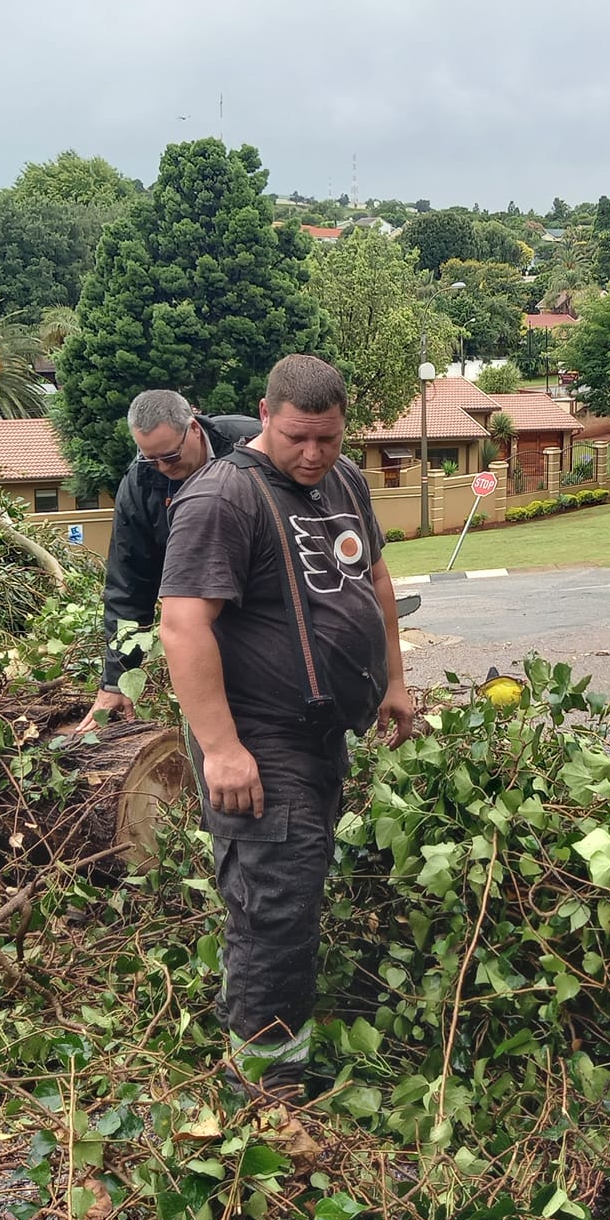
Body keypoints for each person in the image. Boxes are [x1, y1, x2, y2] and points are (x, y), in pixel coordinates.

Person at [157, 354, 415, 1099]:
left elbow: (375, 579)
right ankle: (266, 1092)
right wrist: (222, 749)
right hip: (259, 740)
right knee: (274, 906)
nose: (313, 455)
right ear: (264, 415)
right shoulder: (222, 499)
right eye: (299, 437)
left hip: (324, 734)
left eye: (329, 439)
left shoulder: (345, 480)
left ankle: (262, 1039)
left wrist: (394, 682)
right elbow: (181, 627)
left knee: (289, 893)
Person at [68, 390, 259, 733]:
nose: (163, 469)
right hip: (206, 619)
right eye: (151, 458)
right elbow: (129, 586)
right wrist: (118, 679)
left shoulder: (251, 442)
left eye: (170, 457)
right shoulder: (140, 482)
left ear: (194, 427)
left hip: (266, 602)